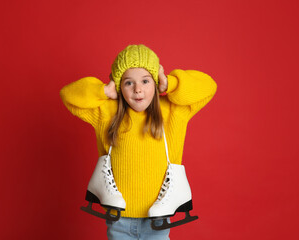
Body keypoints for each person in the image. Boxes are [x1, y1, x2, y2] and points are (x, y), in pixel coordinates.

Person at [60, 44, 217, 240]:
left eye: (145, 81)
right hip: (119, 220)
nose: (138, 90)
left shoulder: (172, 111)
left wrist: (170, 84)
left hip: (157, 221)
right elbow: (68, 95)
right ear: (119, 86)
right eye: (128, 83)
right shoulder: (107, 112)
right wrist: (104, 90)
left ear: (155, 81)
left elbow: (209, 86)